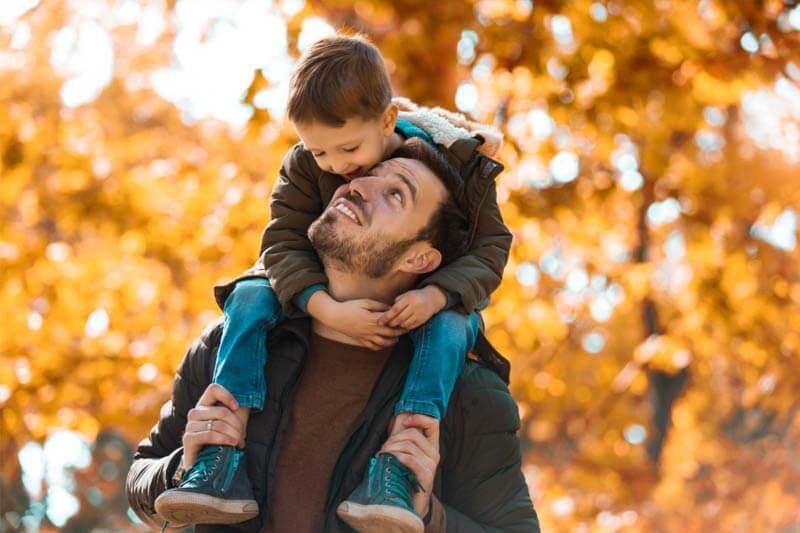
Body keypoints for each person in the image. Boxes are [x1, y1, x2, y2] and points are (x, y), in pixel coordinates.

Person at [153, 33, 513, 531]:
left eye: (395, 194)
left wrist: (431, 518)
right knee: (250, 295)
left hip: (438, 307)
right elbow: (278, 240)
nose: (346, 174)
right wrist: (177, 467)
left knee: (453, 325)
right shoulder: (226, 344)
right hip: (293, 289)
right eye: (322, 154)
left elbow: (492, 250)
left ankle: (399, 469)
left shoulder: (473, 394)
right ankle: (218, 461)